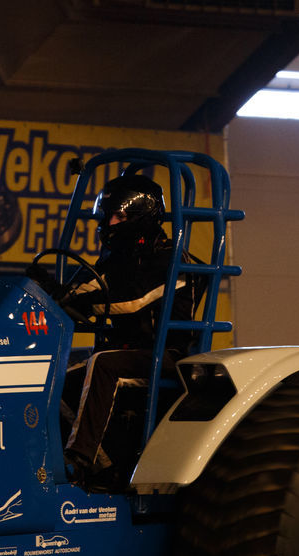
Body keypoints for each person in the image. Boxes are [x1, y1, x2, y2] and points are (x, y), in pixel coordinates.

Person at [55, 173, 201, 491]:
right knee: (59, 383)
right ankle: (105, 469)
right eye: (107, 215)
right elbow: (84, 286)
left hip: (166, 355)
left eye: (118, 215)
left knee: (103, 363)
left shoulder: (171, 259)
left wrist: (86, 304)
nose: (109, 223)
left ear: (141, 218)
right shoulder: (118, 258)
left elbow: (132, 301)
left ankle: (78, 460)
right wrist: (54, 294)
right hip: (129, 352)